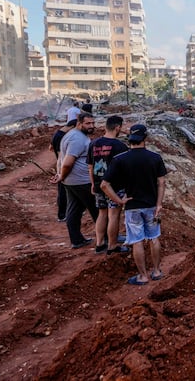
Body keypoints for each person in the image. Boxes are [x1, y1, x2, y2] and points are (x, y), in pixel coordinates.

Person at [101, 124, 167, 285]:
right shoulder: (155, 158)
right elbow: (161, 182)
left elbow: (104, 185)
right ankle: (157, 271)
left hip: (132, 206)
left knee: (137, 240)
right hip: (151, 205)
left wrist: (119, 200)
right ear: (145, 138)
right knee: (154, 237)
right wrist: (159, 204)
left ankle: (143, 276)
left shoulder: (120, 159)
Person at [52, 112, 99, 249]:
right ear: (79, 123)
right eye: (88, 123)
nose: (91, 126)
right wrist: (62, 175)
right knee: (98, 210)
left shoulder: (71, 135)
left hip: (71, 181)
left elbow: (61, 158)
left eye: (93, 123)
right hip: (82, 181)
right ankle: (107, 238)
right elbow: (67, 162)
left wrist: (61, 176)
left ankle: (76, 240)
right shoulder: (77, 139)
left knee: (74, 210)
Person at [87, 115, 129, 254]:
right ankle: (112, 245)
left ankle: (99, 244)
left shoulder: (93, 144)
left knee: (102, 213)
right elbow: (125, 170)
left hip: (99, 184)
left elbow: (90, 166)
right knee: (114, 215)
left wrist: (93, 184)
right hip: (114, 187)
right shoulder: (120, 146)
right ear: (117, 127)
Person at [49, 119, 76, 222]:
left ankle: (63, 213)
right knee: (64, 192)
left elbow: (51, 148)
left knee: (63, 192)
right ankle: (63, 214)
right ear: (72, 127)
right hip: (63, 167)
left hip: (61, 167)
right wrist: (60, 173)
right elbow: (61, 157)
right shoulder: (62, 137)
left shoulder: (58, 134)